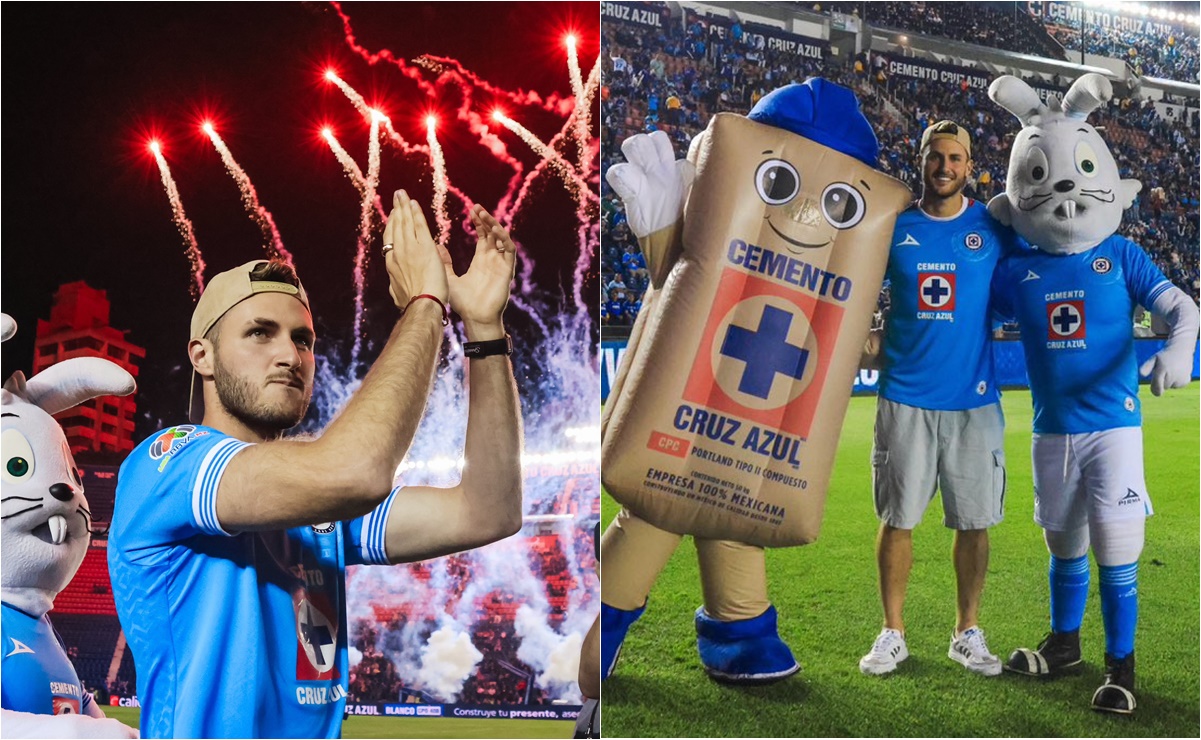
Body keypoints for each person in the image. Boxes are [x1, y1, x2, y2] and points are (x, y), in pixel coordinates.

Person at [109, 190, 523, 738]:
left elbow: (487, 511)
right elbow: (354, 471)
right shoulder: (167, 465)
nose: (289, 354)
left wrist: (484, 331)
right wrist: (427, 302)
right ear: (201, 356)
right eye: (260, 332)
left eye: (302, 339)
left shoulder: (316, 498)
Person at [860, 120, 1015, 677]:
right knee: (898, 519)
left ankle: (966, 631)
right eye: (935, 157)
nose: (944, 167)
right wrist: (865, 338)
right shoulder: (893, 227)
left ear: (969, 166)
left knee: (974, 523)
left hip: (974, 404)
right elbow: (853, 288)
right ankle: (892, 632)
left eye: (955, 158)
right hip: (903, 396)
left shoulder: (993, 228)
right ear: (920, 159)